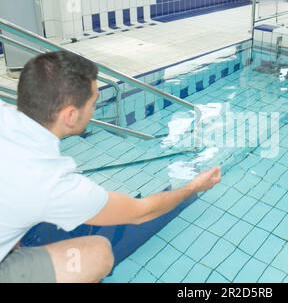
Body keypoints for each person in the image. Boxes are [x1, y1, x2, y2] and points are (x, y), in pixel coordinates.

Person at [0, 51, 221, 283]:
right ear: (71, 115)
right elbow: (142, 212)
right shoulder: (51, 182)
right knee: (98, 253)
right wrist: (194, 186)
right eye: (93, 103)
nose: (95, 110)